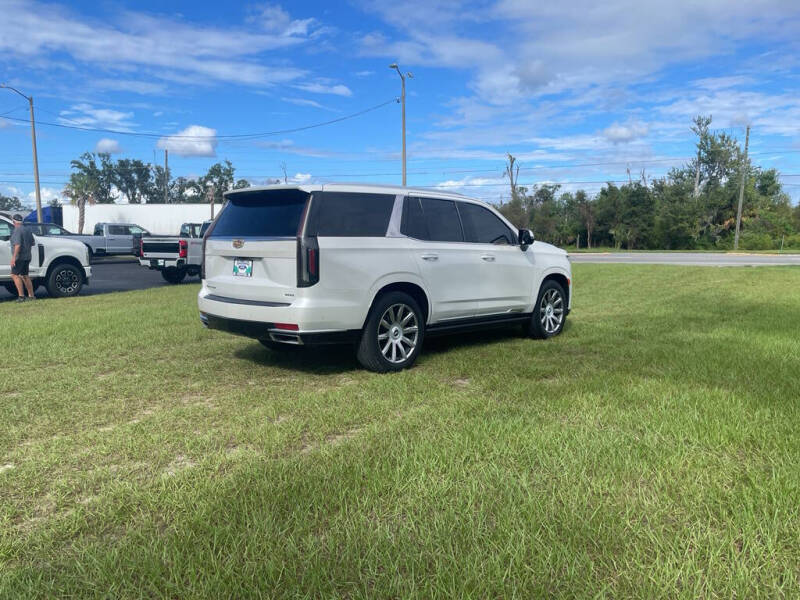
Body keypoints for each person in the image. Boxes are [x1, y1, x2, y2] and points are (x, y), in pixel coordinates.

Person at [10, 214, 36, 302]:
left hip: (19, 257)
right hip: (27, 256)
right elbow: (33, 243)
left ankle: (21, 296)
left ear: (14, 222)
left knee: (14, 275)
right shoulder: (27, 230)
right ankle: (31, 296)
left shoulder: (17, 230)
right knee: (25, 275)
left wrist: (14, 258)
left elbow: (17, 245)